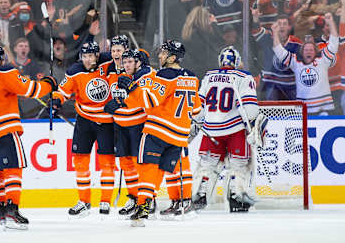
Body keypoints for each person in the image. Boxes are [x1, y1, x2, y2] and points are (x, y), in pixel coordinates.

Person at [108, 40, 201, 226]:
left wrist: (130, 91)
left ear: (173, 57)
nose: (160, 55)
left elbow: (148, 100)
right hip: (180, 135)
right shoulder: (192, 77)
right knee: (163, 170)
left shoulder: (164, 75)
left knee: (148, 170)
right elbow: (196, 109)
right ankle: (183, 202)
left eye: (164, 53)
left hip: (158, 131)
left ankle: (143, 207)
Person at [0, 44, 57, 229]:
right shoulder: (5, 72)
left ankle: (2, 214)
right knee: (12, 169)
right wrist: (49, 83)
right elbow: (31, 90)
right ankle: (13, 211)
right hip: (4, 130)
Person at [192, 46, 260, 213]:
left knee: (207, 166)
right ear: (237, 62)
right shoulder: (243, 76)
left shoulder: (208, 76)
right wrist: (253, 127)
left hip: (211, 128)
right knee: (239, 166)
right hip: (235, 128)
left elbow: (198, 106)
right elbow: (250, 109)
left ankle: (199, 196)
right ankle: (237, 197)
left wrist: (196, 125)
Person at [52, 41, 115, 217]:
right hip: (85, 121)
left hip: (106, 122)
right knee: (80, 161)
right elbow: (62, 91)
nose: (87, 60)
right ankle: (84, 201)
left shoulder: (108, 63)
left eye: (90, 56)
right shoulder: (74, 71)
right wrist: (57, 100)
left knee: (107, 162)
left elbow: (127, 58)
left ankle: (105, 201)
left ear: (97, 55)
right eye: (84, 56)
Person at [272, 13, 339, 115]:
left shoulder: (323, 60)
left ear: (316, 52)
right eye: (306, 50)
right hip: (303, 111)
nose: (308, 52)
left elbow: (334, 44)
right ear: (302, 52)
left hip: (324, 110)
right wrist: (275, 33)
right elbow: (279, 51)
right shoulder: (296, 63)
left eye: (311, 50)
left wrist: (331, 23)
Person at [105, 37, 141, 216]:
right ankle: (134, 198)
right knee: (126, 164)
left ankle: (145, 199)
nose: (116, 54)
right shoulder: (111, 71)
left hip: (137, 124)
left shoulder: (139, 72)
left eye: (119, 50)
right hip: (119, 124)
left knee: (138, 163)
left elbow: (143, 97)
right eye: (114, 51)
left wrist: (121, 102)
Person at [251, 11, 302, 100]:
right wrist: (255, 18)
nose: (281, 26)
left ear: (289, 27)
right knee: (271, 107)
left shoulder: (297, 44)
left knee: (293, 110)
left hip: (290, 85)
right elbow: (256, 32)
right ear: (274, 26)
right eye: (279, 24)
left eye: (284, 24)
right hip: (271, 83)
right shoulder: (268, 37)